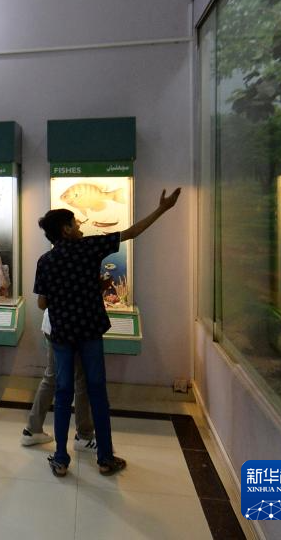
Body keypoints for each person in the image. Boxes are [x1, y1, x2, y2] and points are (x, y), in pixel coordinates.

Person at [35, 188, 180, 478]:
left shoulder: (45, 261)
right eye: (75, 223)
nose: (79, 226)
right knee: (97, 391)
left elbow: (42, 303)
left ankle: (61, 459)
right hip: (90, 331)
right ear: (65, 229)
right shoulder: (90, 247)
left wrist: (64, 295)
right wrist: (162, 209)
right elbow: (131, 232)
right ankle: (104, 458)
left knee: (63, 393)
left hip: (62, 335)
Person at [20, 306, 96, 451]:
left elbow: (41, 302)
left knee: (52, 376)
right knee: (81, 379)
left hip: (53, 323)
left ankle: (32, 429)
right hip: (74, 326)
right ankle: (84, 435)